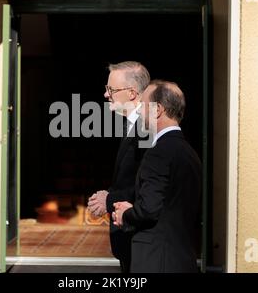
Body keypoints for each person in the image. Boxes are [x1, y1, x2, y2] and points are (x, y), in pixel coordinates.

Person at [113, 80, 202, 273]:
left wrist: (125, 214)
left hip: (156, 261)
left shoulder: (159, 152)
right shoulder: (189, 153)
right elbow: (168, 205)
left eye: (143, 105)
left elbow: (149, 209)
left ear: (157, 110)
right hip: (183, 259)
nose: (139, 112)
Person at [87, 61, 150, 273]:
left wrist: (109, 199)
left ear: (132, 93)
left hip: (139, 236)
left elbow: (148, 184)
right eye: (107, 89)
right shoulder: (131, 123)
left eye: (111, 90)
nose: (106, 95)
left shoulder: (147, 128)